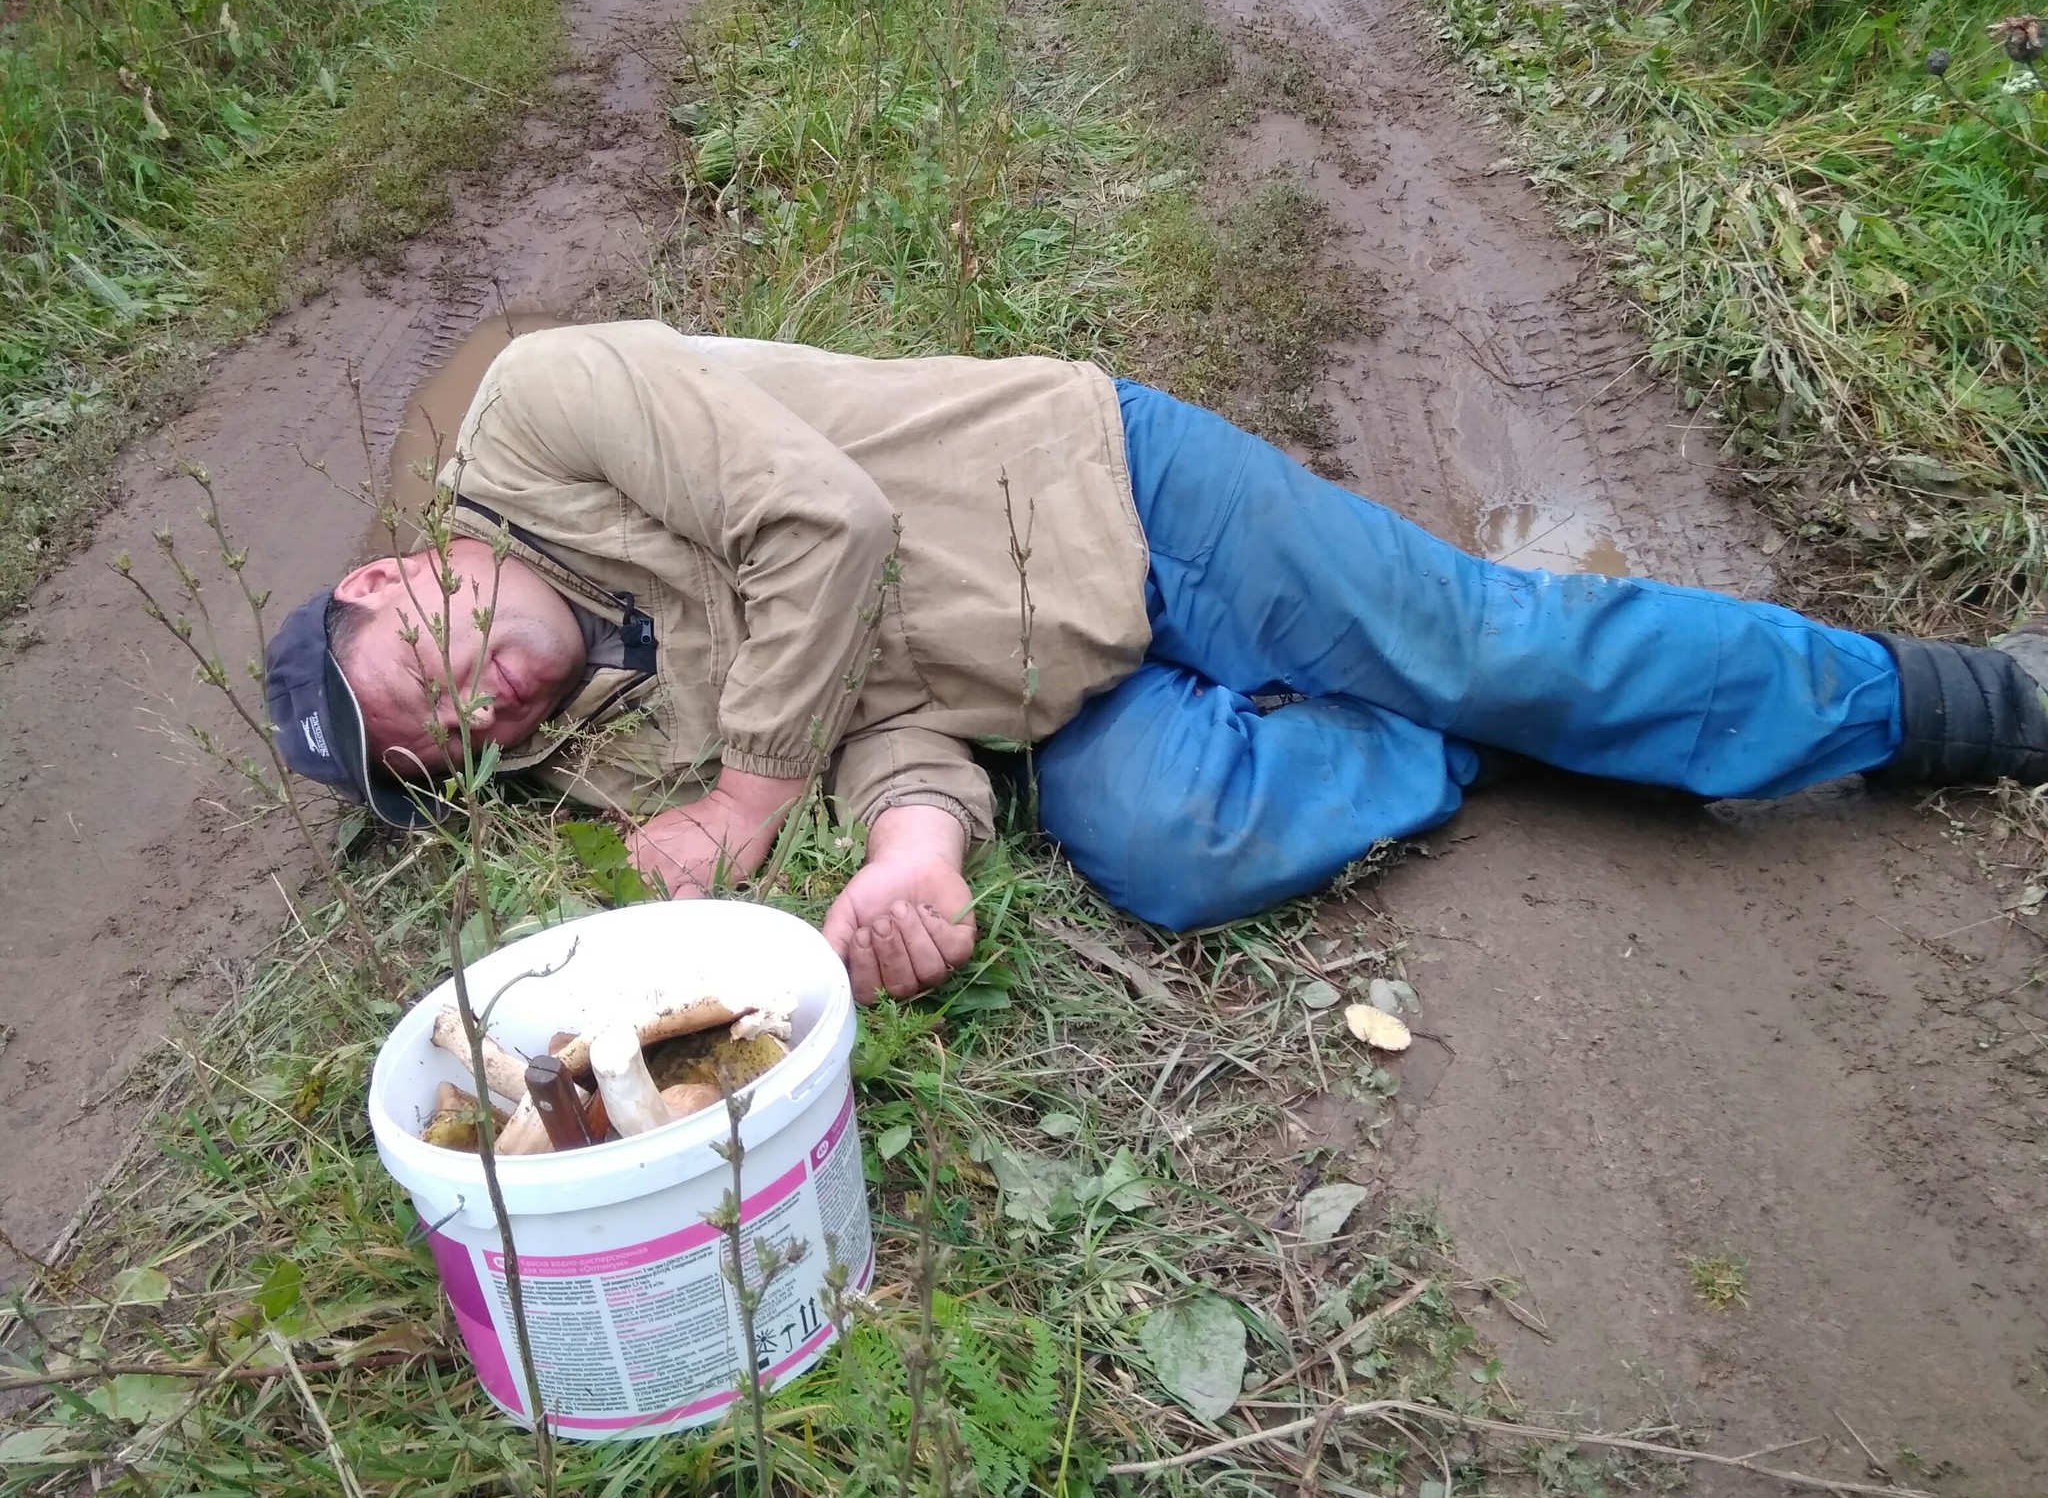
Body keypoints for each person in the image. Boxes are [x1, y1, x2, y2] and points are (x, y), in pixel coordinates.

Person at [264, 321, 2048, 1002]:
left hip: (1114, 489)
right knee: (1173, 849)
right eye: (455, 747)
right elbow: (881, 726)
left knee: (1485, 638)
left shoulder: (543, 406)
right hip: (1025, 695)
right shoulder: (592, 759)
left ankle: (1960, 699)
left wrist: (747, 796)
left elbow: (829, 525)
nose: (483, 708)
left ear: (387, 567)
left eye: (427, 672)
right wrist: (912, 847)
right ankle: (1491, 744)